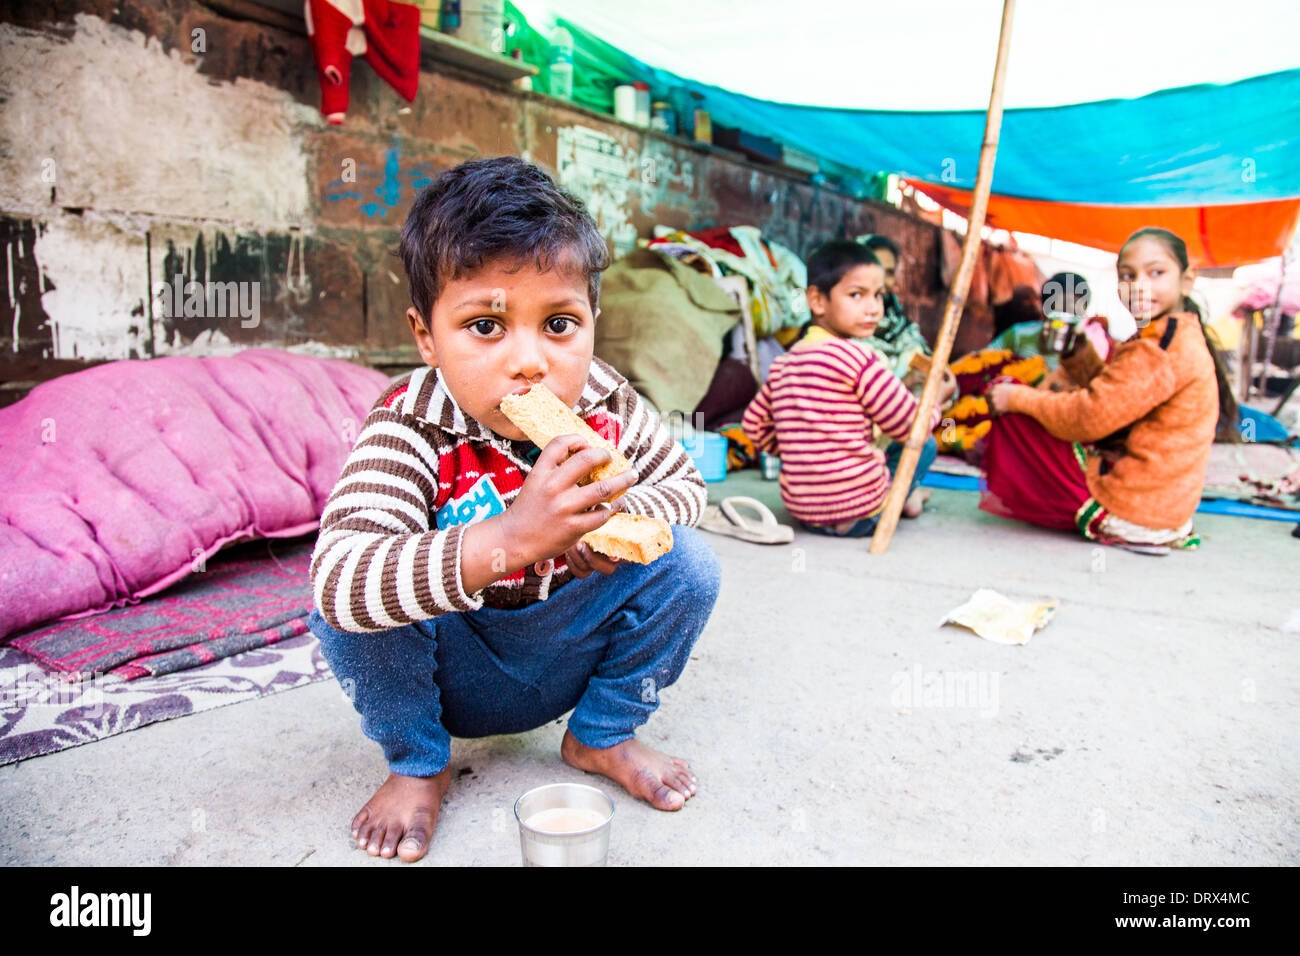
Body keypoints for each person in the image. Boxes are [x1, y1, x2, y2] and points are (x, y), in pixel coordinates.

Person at [306, 156, 721, 862]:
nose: (530, 362)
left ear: (593, 322)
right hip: (451, 669)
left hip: (566, 646)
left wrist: (613, 521)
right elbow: (338, 583)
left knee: (690, 565)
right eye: (486, 327)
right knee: (346, 606)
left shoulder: (606, 401)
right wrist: (510, 537)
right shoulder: (409, 426)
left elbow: (687, 487)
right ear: (426, 336)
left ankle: (601, 733)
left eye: (558, 323)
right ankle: (418, 762)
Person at [984, 227, 1234, 550]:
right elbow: (1119, 397)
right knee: (1038, 405)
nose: (1138, 287)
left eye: (1156, 273)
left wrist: (1018, 398)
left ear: (1187, 280)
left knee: (1015, 404)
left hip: (1136, 507)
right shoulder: (1171, 334)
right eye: (1127, 276)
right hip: (1164, 506)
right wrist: (1079, 357)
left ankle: (1087, 509)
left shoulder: (1162, 346)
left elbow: (1091, 416)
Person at [742, 240, 939, 537]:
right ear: (818, 301)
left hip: (804, 512)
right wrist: (933, 403)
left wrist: (802, 452)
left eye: (878, 295)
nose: (873, 308)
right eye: (856, 295)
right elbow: (911, 426)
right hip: (861, 513)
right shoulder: (859, 359)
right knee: (926, 443)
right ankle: (901, 500)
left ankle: (903, 498)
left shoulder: (784, 363)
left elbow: (754, 425)